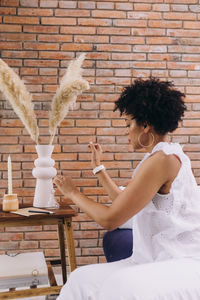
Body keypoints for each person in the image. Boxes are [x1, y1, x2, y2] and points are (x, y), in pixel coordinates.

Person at [54, 78, 200, 300]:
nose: (127, 132)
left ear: (145, 126)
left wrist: (73, 193)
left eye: (128, 124)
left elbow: (111, 219)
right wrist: (98, 168)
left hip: (181, 259)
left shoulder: (163, 160)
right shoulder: (156, 158)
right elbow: (123, 200)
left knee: (121, 286)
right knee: (80, 280)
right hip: (152, 258)